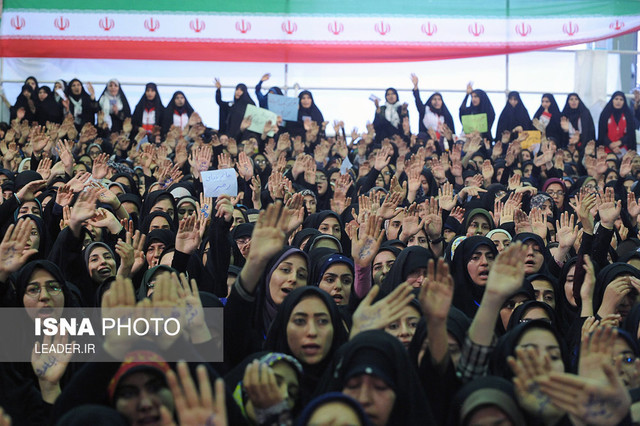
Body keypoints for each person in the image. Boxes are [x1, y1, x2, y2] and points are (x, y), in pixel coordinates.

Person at [598, 91, 637, 156]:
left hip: (623, 149)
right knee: (610, 163)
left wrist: (619, 142)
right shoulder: (605, 114)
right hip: (607, 148)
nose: (618, 101)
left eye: (621, 99)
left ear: (624, 102)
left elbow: (631, 134)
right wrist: (611, 144)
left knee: (624, 162)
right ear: (612, 100)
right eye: (616, 99)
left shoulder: (628, 115)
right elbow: (602, 134)